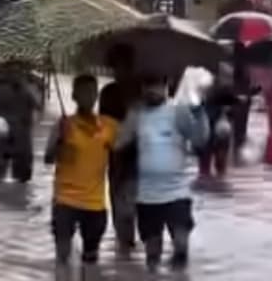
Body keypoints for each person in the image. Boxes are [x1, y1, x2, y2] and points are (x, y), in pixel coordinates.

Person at [115, 74, 210, 269]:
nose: (152, 90)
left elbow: (200, 140)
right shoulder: (137, 114)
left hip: (177, 193)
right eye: (148, 85)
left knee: (181, 246)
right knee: (152, 256)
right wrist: (128, 118)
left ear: (167, 87)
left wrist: (200, 114)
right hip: (147, 196)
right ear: (142, 89)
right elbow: (117, 145)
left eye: (157, 85)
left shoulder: (178, 111)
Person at [44, 74, 118, 266]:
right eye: (83, 92)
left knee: (91, 259)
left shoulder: (108, 126)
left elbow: (121, 154)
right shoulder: (63, 124)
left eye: (92, 92)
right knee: (62, 257)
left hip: (95, 204)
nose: (88, 97)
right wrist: (60, 140)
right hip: (65, 200)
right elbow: (48, 159)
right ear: (74, 96)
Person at [99, 44, 140, 255]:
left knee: (133, 203)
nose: (120, 71)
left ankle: (129, 244)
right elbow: (103, 124)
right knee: (118, 200)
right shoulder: (108, 93)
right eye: (117, 67)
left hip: (140, 157)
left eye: (124, 66)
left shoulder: (142, 91)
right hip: (116, 155)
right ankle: (125, 246)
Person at [0, 68, 43, 187]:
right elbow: (39, 107)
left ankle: (1, 187)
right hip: (18, 135)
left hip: (9, 134)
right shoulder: (27, 90)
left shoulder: (0, 90)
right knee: (20, 174)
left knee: (3, 171)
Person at [197, 65, 238, 178]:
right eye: (225, 76)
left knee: (220, 164)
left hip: (220, 132)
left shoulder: (229, 91)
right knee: (206, 165)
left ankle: (215, 182)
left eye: (229, 76)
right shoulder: (209, 90)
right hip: (210, 129)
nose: (228, 79)